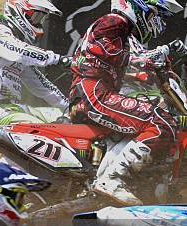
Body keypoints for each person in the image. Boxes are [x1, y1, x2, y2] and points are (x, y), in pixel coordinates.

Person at [70, 0, 183, 205]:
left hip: (98, 92)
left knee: (155, 115)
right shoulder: (114, 21)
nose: (159, 24)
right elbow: (109, 52)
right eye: (157, 16)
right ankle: (113, 180)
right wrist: (152, 59)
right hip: (95, 93)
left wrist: (159, 67)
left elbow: (133, 63)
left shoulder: (125, 31)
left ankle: (125, 182)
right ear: (141, 7)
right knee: (162, 123)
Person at [0, 0, 70, 127]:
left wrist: (69, 107)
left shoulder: (20, 53)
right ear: (18, 11)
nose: (39, 22)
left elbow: (41, 85)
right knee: (49, 130)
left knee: (67, 120)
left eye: (42, 18)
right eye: (36, 16)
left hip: (15, 108)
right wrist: (58, 59)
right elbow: (19, 51)